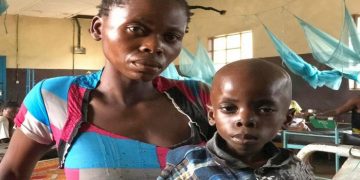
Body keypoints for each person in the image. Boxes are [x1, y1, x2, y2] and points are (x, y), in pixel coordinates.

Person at [0, 0, 215, 179]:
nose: (155, 46)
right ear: (97, 28)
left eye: (172, 37)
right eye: (136, 29)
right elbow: (12, 172)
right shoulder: (55, 97)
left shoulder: (198, 97)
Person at [158, 59, 315, 179]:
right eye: (229, 108)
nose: (245, 120)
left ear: (287, 119)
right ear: (212, 115)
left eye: (265, 109)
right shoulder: (189, 162)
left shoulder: (293, 165)